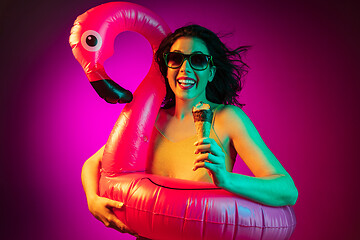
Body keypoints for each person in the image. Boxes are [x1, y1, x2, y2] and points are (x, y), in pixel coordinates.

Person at [81, 25, 298, 238]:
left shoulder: (227, 119)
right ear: (166, 68)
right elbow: (93, 163)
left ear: (211, 72)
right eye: (176, 58)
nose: (185, 68)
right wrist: (92, 200)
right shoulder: (149, 120)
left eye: (198, 60)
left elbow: (286, 190)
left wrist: (226, 180)